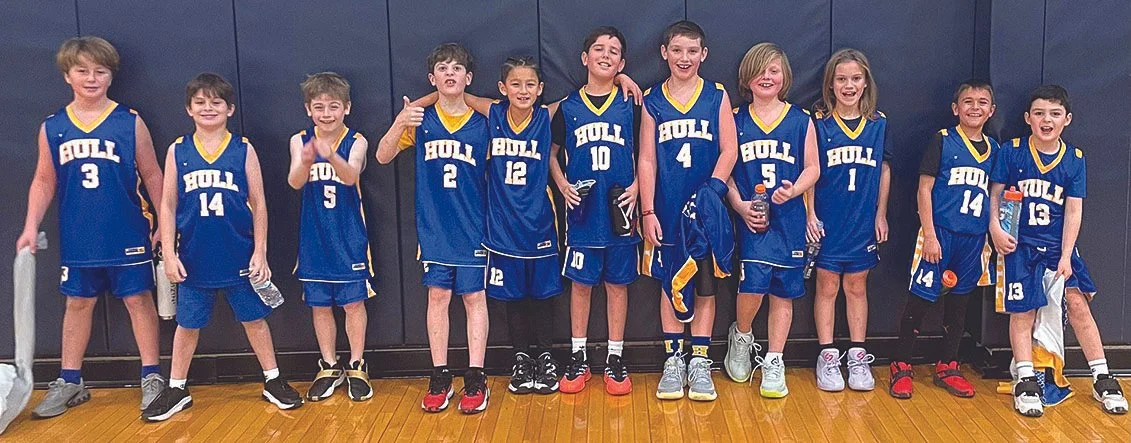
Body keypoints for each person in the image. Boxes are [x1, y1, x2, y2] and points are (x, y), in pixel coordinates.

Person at [142, 73, 303, 421]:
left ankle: (272, 380)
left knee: (255, 320)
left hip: (238, 254)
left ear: (230, 108)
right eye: (200, 102)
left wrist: (260, 251)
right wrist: (168, 252)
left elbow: (259, 203)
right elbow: (167, 204)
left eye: (216, 102)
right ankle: (177, 388)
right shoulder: (178, 150)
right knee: (187, 325)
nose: (208, 108)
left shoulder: (243, 149)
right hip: (194, 257)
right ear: (189, 109)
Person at [20, 36, 165, 418]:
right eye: (82, 70)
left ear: (111, 76)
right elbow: (43, 180)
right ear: (67, 75)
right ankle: (70, 380)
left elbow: (153, 174)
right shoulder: (53, 127)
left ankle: (152, 375)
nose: (91, 78)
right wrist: (31, 225)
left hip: (127, 230)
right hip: (79, 235)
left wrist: (165, 223)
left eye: (100, 71)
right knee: (78, 302)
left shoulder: (129, 121)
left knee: (138, 299)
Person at [989, 85, 1127, 417]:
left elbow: (1074, 210)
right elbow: (995, 194)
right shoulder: (1012, 151)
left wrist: (1066, 255)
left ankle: (1102, 376)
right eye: (1039, 113)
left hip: (1056, 246)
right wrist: (994, 228)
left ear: (1067, 119)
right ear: (1028, 118)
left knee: (1077, 304)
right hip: (1020, 245)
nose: (1046, 120)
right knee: (1023, 311)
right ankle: (1026, 378)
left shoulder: (1074, 159)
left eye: (1054, 114)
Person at [376, 43, 491, 414]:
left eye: (457, 68)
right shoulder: (420, 120)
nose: (450, 74)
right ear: (432, 77)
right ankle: (440, 374)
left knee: (474, 298)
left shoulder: (483, 123)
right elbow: (382, 155)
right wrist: (400, 121)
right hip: (435, 228)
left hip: (474, 226)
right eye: (443, 68)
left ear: (468, 78)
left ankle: (476, 376)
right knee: (437, 297)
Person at [639, 20, 738, 402]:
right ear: (664, 52)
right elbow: (647, 158)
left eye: (692, 51)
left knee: (706, 283)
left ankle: (700, 361)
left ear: (704, 54)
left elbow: (730, 149)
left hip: (706, 210)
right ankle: (673, 360)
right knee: (669, 279)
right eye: (677, 50)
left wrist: (712, 190)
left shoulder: (716, 94)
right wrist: (648, 210)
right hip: (666, 208)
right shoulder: (653, 99)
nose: (685, 58)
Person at [722, 42, 819, 399]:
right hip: (753, 218)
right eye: (760, 71)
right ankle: (742, 335)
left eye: (773, 71)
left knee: (784, 291)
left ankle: (775, 359)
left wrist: (795, 191)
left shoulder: (800, 120)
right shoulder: (734, 118)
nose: (766, 77)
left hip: (789, 218)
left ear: (785, 76)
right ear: (747, 76)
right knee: (753, 284)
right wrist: (738, 204)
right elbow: (725, 169)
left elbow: (813, 168)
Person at [891, 79, 997, 399]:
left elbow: (996, 195)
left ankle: (948, 364)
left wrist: (993, 234)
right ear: (955, 108)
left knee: (959, 304)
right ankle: (901, 363)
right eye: (968, 101)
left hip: (974, 238)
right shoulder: (944, 140)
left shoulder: (996, 150)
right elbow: (924, 189)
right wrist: (930, 235)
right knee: (920, 299)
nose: (975, 107)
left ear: (991, 111)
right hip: (941, 234)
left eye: (982, 102)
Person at [553, 26, 641, 396]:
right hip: (584, 213)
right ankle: (579, 356)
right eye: (599, 49)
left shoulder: (632, 103)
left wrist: (639, 186)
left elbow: (648, 153)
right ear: (584, 58)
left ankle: (615, 357)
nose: (605, 55)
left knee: (617, 285)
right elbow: (552, 153)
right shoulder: (567, 107)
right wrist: (562, 184)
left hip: (620, 210)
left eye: (613, 51)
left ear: (622, 62)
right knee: (581, 285)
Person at [806, 48, 891, 392]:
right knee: (826, 286)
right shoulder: (818, 123)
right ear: (830, 84)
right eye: (841, 79)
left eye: (856, 78)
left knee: (857, 286)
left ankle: (857, 355)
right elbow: (809, 172)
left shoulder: (878, 123)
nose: (849, 85)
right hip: (829, 219)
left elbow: (884, 170)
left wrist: (881, 213)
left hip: (862, 220)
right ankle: (827, 354)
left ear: (866, 82)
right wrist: (810, 214)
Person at [287, 72, 374, 402]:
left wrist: (330, 154)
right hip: (314, 237)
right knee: (320, 305)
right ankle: (328, 365)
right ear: (308, 109)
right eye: (319, 107)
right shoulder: (299, 140)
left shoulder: (357, 140)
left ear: (346, 108)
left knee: (353, 303)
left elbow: (351, 176)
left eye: (333, 106)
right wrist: (308, 159)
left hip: (349, 235)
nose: (326, 114)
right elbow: (295, 182)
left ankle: (357, 364)